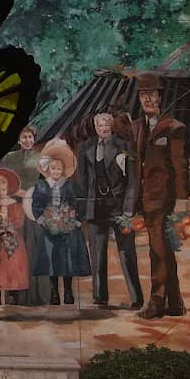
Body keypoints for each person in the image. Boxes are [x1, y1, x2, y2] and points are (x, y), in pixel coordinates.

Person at [120, 72, 190, 319]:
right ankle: (175, 302)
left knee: (158, 249)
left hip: (163, 199)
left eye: (152, 94)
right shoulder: (136, 127)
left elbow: (180, 166)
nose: (148, 100)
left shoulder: (173, 128)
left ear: (160, 97)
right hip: (144, 199)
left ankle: (157, 301)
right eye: (143, 95)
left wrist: (182, 200)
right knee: (162, 249)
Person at [73, 120, 141, 309]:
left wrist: (128, 209)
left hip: (119, 207)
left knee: (127, 253)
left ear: (112, 126)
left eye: (106, 125)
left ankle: (136, 297)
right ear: (95, 127)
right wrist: (82, 209)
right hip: (96, 208)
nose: (103, 128)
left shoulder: (124, 146)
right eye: (100, 125)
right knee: (97, 253)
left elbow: (132, 181)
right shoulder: (86, 147)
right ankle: (100, 297)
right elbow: (82, 181)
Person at [35, 139, 92, 307]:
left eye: (59, 169)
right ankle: (54, 292)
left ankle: (68, 291)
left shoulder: (70, 185)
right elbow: (36, 204)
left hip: (68, 228)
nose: (56, 171)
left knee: (67, 260)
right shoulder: (41, 186)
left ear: (63, 170)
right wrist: (41, 218)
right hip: (50, 228)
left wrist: (76, 218)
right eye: (53, 168)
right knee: (52, 260)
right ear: (48, 170)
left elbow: (78, 202)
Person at [0, 169, 32, 305]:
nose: (1, 192)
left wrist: (7, 219)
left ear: (8, 190)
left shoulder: (14, 205)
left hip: (12, 239)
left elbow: (19, 222)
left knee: (14, 264)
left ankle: (13, 295)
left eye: (3, 189)